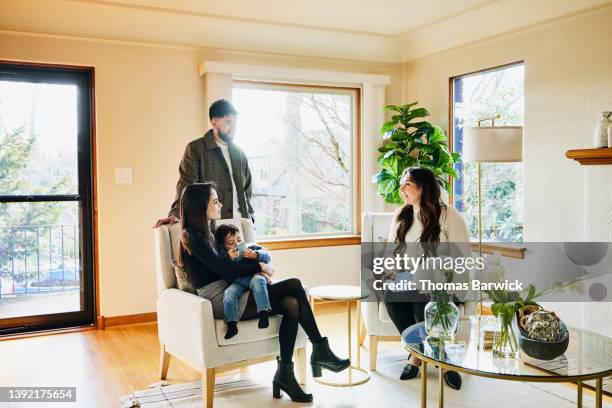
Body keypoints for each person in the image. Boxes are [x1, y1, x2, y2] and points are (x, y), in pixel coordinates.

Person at [177, 182, 350, 402]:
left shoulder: (206, 231)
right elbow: (224, 268)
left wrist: (255, 263)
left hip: (232, 289)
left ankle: (285, 374)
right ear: (200, 206)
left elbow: (229, 267)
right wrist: (259, 267)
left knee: (292, 304)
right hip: (219, 299)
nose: (220, 204)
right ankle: (320, 350)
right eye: (215, 201)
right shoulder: (192, 235)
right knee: (294, 285)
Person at [383, 167, 470, 391]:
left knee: (423, 291)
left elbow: (462, 256)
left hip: (443, 282)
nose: (401, 189)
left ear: (423, 187)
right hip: (410, 279)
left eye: (407, 184)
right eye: (401, 184)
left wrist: (455, 289)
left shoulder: (449, 215)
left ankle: (438, 360)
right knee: (392, 294)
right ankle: (421, 353)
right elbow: (393, 254)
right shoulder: (402, 215)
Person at [154, 99, 254, 228]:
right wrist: (176, 213)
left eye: (235, 122)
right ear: (214, 122)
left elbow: (247, 190)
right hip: (212, 227)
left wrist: (250, 216)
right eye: (229, 122)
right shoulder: (195, 149)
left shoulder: (240, 154)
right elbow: (186, 186)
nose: (233, 128)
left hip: (241, 225)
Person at [214, 223, 273, 339]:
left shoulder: (250, 247)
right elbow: (222, 269)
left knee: (258, 280)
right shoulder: (223, 257)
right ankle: (231, 324)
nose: (237, 244)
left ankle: (264, 312)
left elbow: (268, 257)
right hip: (239, 282)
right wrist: (228, 258)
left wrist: (255, 255)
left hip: (254, 276)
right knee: (229, 293)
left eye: (239, 239)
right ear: (223, 246)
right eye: (231, 243)